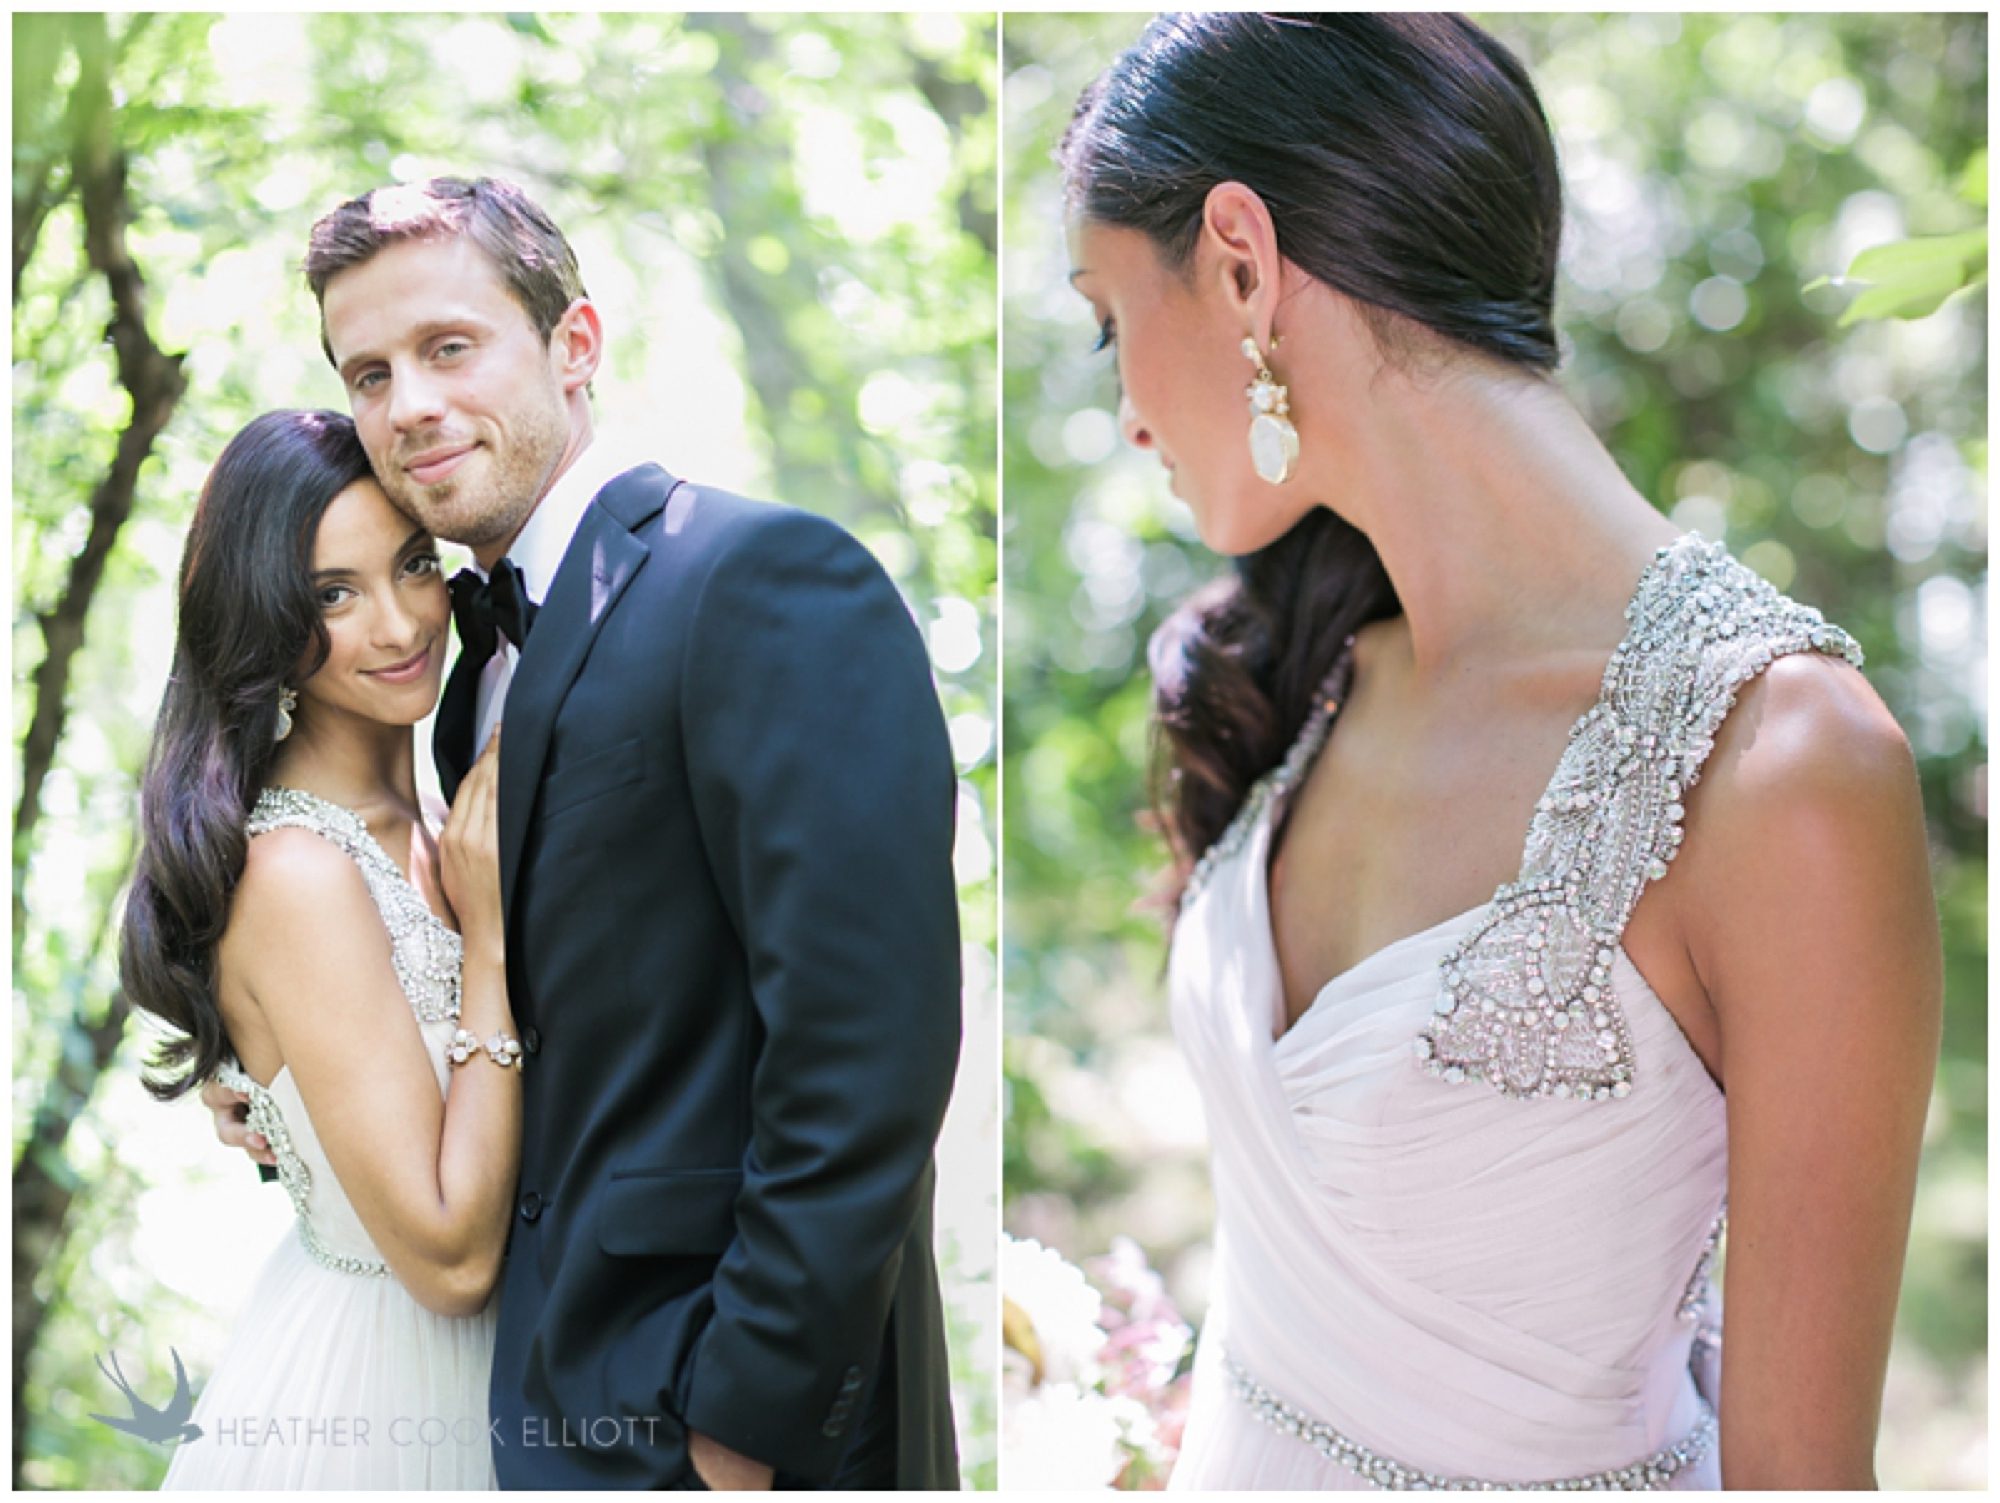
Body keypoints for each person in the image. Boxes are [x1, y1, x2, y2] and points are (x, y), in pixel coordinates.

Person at [1061, 13, 1939, 1490]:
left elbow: (1802, 1471)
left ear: (1238, 262)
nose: (1123, 404)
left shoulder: (1783, 764)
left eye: (1103, 318)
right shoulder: (1327, 657)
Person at [200, 177, 964, 1489]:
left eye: (450, 347)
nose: (410, 405)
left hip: (717, 1422)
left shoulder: (757, 579)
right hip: (525, 1398)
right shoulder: (459, 683)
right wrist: (285, 1086)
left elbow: (867, 1037)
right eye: (369, 372)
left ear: (576, 344)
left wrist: (751, 1418)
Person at [122, 409, 513, 1487]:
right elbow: (449, 1258)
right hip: (385, 1391)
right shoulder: (297, 873)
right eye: (333, 596)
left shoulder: (439, 822)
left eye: (413, 567)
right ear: (264, 620)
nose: (398, 625)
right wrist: (485, 953)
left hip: (518, 1378)